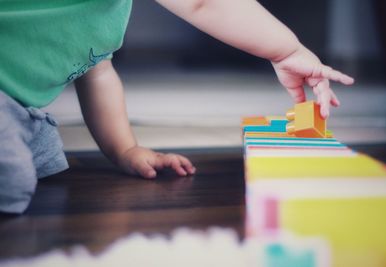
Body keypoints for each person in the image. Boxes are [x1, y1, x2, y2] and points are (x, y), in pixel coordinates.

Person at [0, 0, 354, 214]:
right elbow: (204, 3)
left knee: (43, 150)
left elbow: (97, 72)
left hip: (21, 109)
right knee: (14, 178)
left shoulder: (107, 14)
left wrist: (125, 149)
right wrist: (286, 50)